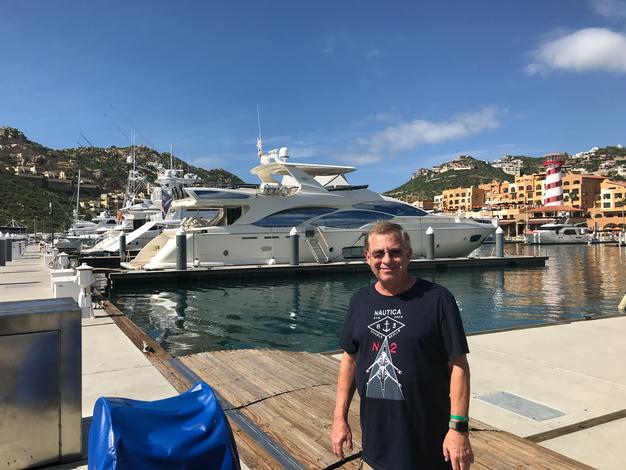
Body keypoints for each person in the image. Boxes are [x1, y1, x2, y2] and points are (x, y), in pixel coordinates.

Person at [332, 221, 474, 470]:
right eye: (378, 253)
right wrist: (339, 418)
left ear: (408, 254)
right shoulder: (359, 301)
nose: (387, 260)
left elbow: (459, 366)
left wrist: (458, 428)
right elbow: (350, 360)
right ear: (367, 257)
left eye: (395, 252)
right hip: (377, 443)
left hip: (430, 445)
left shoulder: (438, 299)